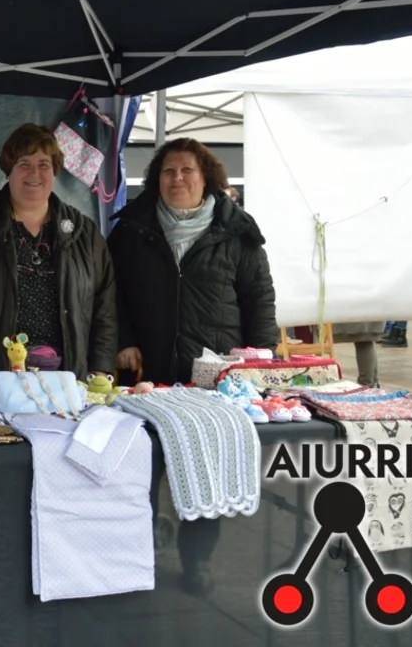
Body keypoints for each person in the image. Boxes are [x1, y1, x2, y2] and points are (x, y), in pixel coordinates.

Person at [108, 138, 277, 596]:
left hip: (214, 373)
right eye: (168, 171)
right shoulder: (131, 229)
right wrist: (122, 340)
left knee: (206, 464)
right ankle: (136, 555)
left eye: (187, 170)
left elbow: (259, 300)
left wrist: (258, 360)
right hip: (146, 371)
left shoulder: (238, 232)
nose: (177, 178)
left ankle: (197, 560)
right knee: (139, 467)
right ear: (156, 179)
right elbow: (108, 293)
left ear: (207, 178)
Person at [0, 123, 117, 385]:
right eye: (24, 164)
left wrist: (101, 366)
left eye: (44, 164)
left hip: (64, 377)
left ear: (55, 171)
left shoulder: (83, 231)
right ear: (9, 170)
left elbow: (104, 304)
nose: (34, 173)